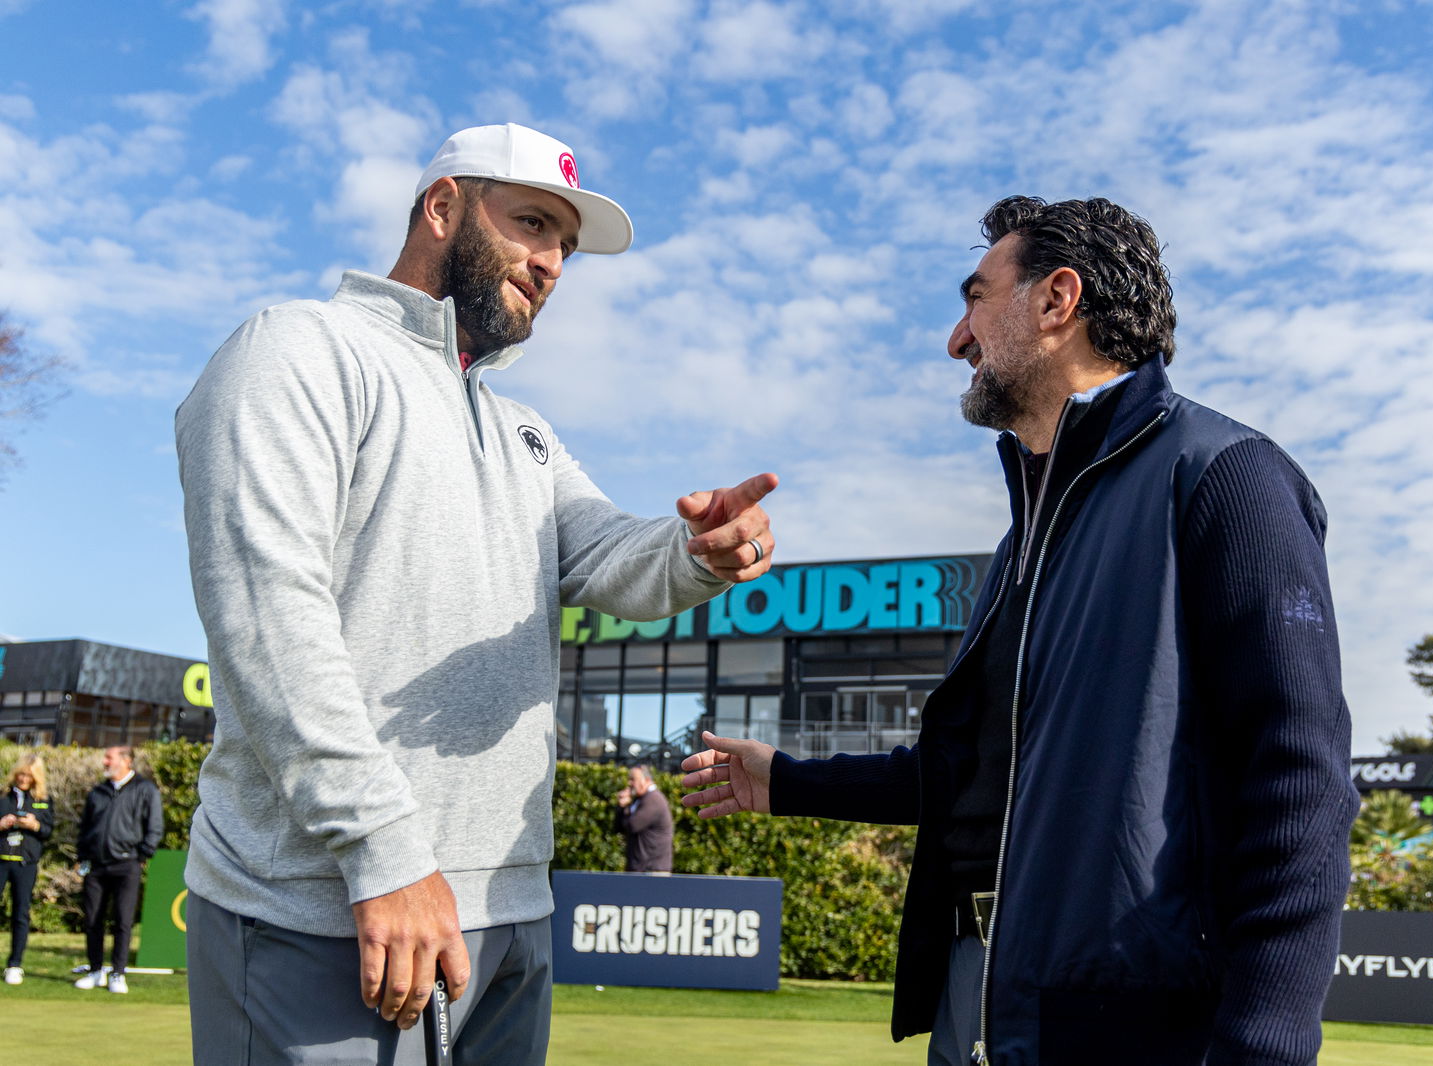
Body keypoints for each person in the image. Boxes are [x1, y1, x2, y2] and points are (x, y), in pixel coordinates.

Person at [683, 196, 1359, 1066]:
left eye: (975, 297)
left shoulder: (1229, 476)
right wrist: (788, 782)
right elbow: (968, 776)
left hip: (1126, 1020)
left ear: (1056, 301)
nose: (956, 339)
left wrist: (1263, 1048)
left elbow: (1299, 785)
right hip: (983, 994)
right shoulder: (1023, 540)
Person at [175, 122, 776, 1065]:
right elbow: (267, 620)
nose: (551, 264)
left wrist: (696, 549)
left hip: (511, 915)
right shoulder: (295, 349)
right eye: (533, 223)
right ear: (443, 205)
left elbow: (612, 555)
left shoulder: (524, 431)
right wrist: (385, 853)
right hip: (332, 910)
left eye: (566, 248)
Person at [73, 745, 163, 995]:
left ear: (126, 761)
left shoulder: (145, 789)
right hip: (96, 865)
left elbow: (154, 827)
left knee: (122, 921)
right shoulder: (98, 791)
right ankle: (95, 970)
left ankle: (118, 973)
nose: (104, 762)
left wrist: (143, 854)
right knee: (93, 920)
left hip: (127, 864)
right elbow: (86, 827)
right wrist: (82, 856)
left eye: (109, 758)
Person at [2, 753, 54, 985]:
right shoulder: (3, 795)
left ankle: (15, 964)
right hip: (1, 859)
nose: (23, 779)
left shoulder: (43, 798)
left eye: (29, 776)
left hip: (26, 863)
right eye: (21, 774)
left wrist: (34, 824)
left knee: (21, 914)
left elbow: (48, 830)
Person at [614, 764, 673, 873]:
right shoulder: (639, 800)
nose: (629, 783)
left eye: (633, 779)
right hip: (640, 869)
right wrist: (621, 807)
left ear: (646, 780)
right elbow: (618, 827)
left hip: (652, 870)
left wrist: (626, 808)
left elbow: (632, 825)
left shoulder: (654, 800)